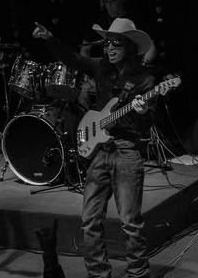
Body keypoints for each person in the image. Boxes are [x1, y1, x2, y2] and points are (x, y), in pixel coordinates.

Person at [33, 18, 158, 278]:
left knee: (130, 222)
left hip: (126, 151)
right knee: (90, 219)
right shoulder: (102, 68)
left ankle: (138, 272)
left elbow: (146, 124)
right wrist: (50, 39)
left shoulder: (144, 80)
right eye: (107, 43)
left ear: (131, 46)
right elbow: (72, 59)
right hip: (100, 151)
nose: (109, 48)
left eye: (116, 43)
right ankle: (98, 273)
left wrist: (142, 112)